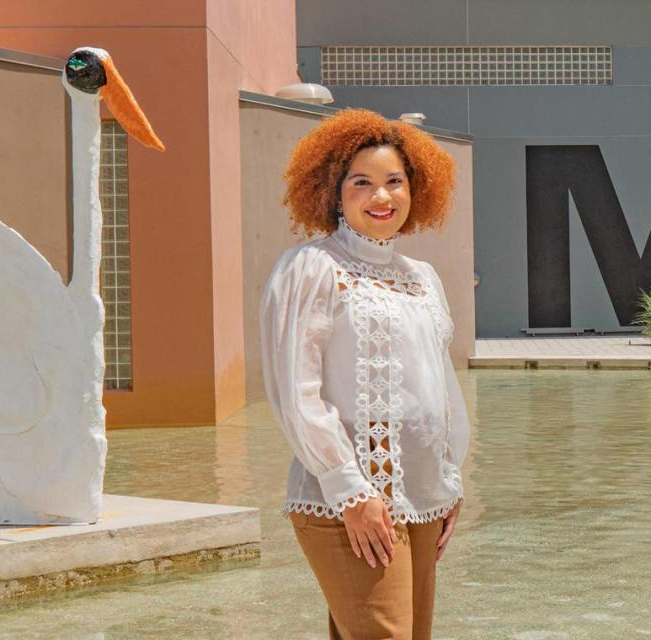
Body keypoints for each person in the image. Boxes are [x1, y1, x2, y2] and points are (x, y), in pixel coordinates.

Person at [259, 108, 470, 640]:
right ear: (334, 192)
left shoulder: (421, 278)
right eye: (363, 183)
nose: (382, 197)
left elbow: (440, 386)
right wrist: (351, 492)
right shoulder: (312, 268)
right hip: (346, 500)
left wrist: (448, 480)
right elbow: (296, 392)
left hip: (421, 499)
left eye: (394, 182)